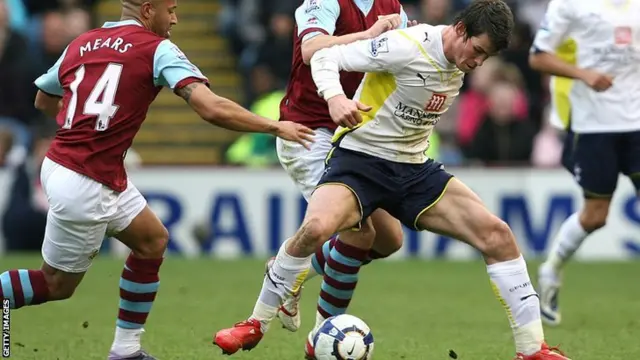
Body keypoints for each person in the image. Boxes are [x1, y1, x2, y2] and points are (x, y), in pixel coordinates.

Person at [220, 1, 573, 359]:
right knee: (317, 229)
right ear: (461, 30)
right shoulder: (409, 44)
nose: (477, 62)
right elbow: (325, 57)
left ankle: (532, 350)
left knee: (496, 235)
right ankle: (255, 323)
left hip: (412, 168)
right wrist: (336, 98)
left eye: (485, 57)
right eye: (478, 51)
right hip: (360, 162)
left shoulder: (451, 52)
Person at [0, 1, 313, 359]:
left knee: (151, 240)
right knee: (55, 285)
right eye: (172, 9)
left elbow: (43, 99)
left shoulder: (82, 42)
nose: (176, 18)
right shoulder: (156, 48)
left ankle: (126, 351)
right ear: (149, 10)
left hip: (66, 165)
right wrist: (275, 125)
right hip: (87, 179)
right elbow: (210, 107)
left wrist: (82, 127)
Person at [213, 0, 415, 354]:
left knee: (389, 240)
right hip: (307, 132)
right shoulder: (323, 3)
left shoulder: (391, 4)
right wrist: (368, 35)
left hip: (354, 133)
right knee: (359, 230)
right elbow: (309, 49)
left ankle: (292, 271)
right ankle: (307, 335)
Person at [529, 0, 640, 327]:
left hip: (637, 124)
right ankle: (551, 271)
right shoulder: (568, 5)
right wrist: (584, 74)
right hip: (594, 127)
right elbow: (537, 56)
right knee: (596, 216)